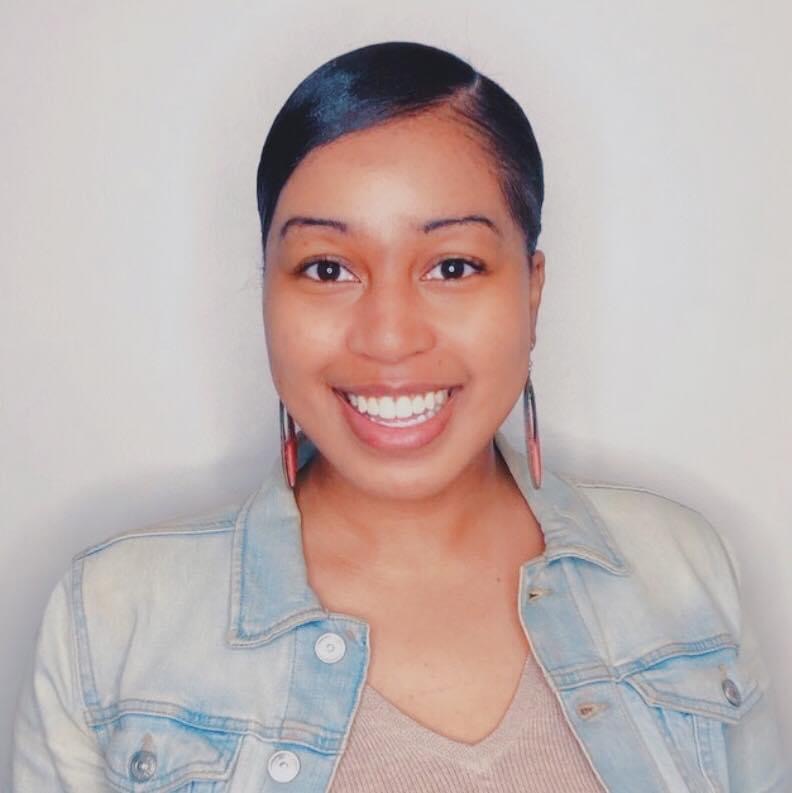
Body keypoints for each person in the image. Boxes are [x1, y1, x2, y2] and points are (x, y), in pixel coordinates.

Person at [12, 41, 788, 793]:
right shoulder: (110, 623)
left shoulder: (681, 571)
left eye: (453, 266)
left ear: (532, 292)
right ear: (267, 290)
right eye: (327, 268)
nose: (389, 337)